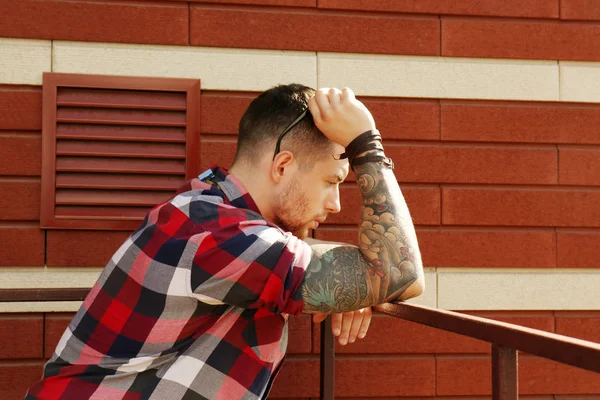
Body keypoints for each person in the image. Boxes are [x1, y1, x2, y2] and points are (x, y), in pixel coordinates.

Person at [26, 85, 424, 399]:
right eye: (331, 182)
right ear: (283, 165)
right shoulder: (219, 236)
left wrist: (353, 287)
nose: (336, 205)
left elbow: (379, 270)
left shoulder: (207, 208)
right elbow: (398, 272)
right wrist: (367, 147)